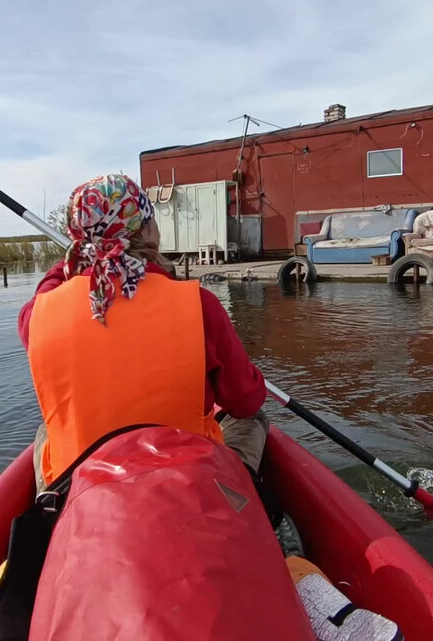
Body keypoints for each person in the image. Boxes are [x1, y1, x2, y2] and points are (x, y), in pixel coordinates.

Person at [17, 173, 268, 492]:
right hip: (190, 486)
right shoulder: (199, 305)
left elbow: (46, 295)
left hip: (79, 492)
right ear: (147, 230)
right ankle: (243, 502)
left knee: (46, 432)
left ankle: (49, 515)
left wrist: (68, 265)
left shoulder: (37, 315)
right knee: (251, 420)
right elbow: (246, 401)